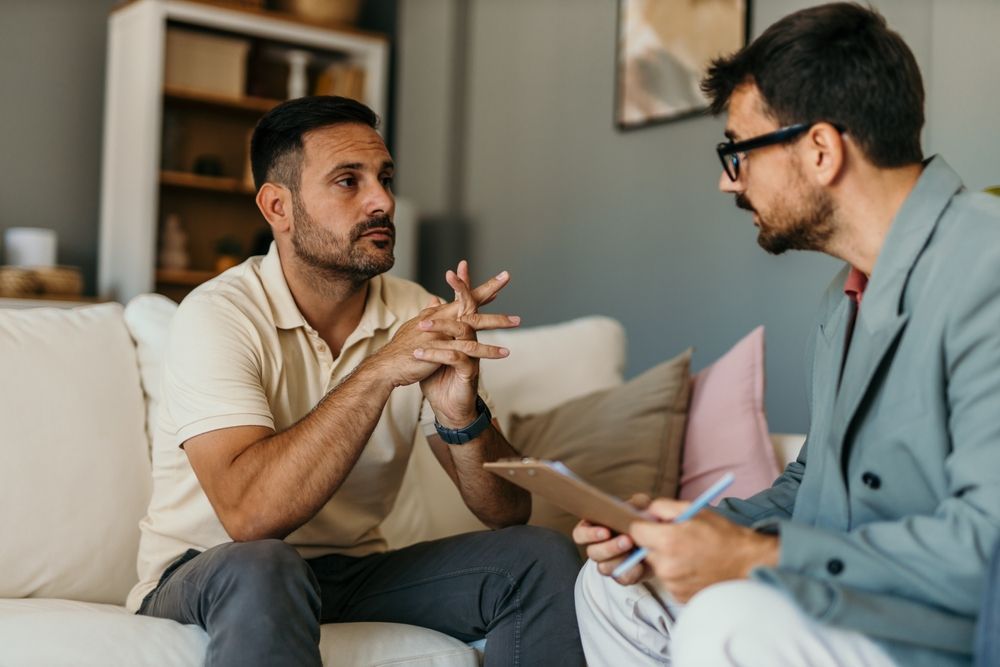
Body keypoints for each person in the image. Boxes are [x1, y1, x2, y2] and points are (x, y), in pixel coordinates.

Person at [574, 3, 1000, 666]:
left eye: (738, 151)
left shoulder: (987, 265)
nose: (726, 180)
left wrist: (749, 558)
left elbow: (988, 546)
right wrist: (683, 529)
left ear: (821, 150)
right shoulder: (844, 299)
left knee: (725, 618)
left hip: (943, 628)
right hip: (850, 594)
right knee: (613, 590)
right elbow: (813, 484)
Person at [128, 95, 584, 667]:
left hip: (348, 575)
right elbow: (250, 519)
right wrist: (378, 373)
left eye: (385, 177)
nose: (383, 201)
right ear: (278, 207)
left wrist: (462, 418)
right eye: (349, 181)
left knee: (539, 556)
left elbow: (506, 512)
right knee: (267, 563)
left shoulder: (415, 311)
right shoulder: (218, 314)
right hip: (210, 570)